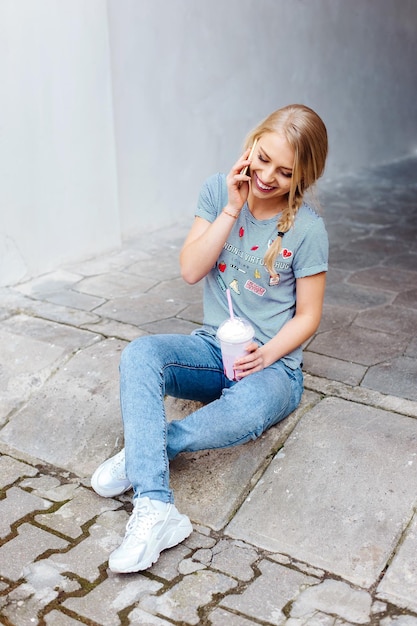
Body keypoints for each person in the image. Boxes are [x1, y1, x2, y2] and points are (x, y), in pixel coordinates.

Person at [91, 103, 329, 573]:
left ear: (304, 175)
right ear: (251, 145)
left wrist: (267, 356)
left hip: (273, 368)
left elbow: (308, 317)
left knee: (249, 407)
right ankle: (156, 508)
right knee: (141, 355)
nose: (266, 176)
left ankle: (148, 452)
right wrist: (231, 207)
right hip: (211, 347)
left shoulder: (307, 229)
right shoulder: (216, 191)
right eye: (262, 159)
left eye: (284, 172)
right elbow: (190, 269)